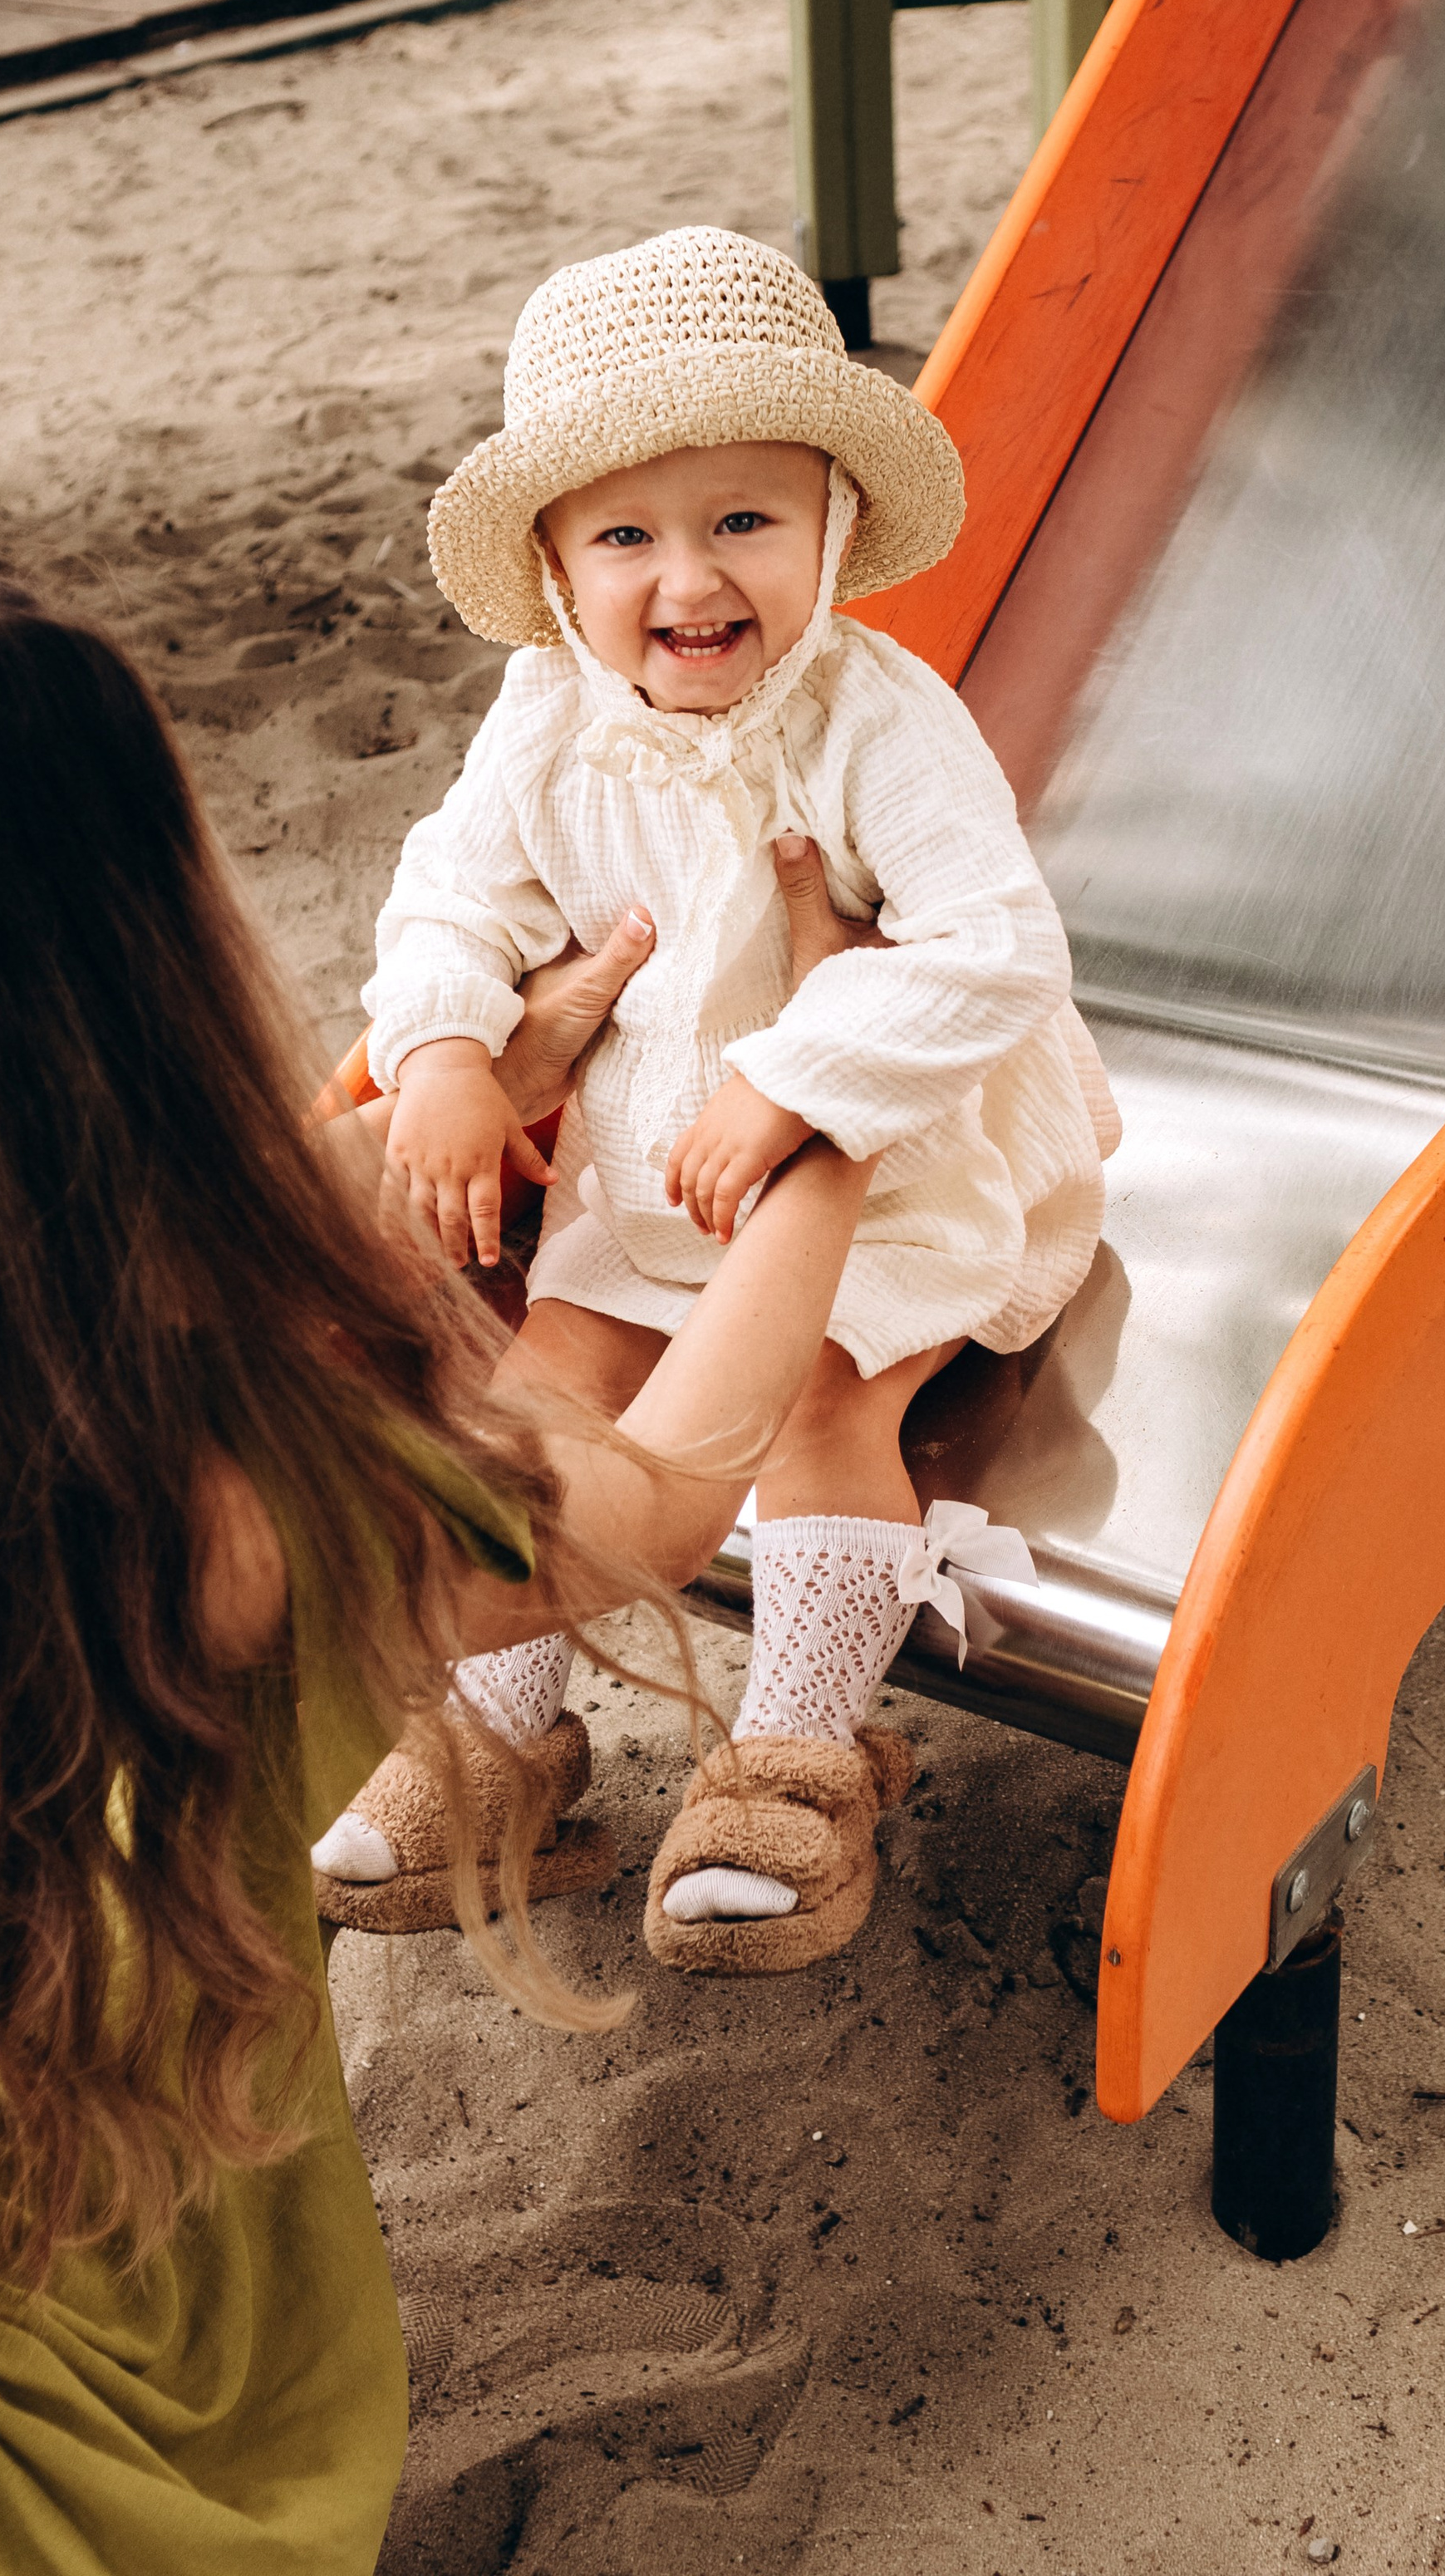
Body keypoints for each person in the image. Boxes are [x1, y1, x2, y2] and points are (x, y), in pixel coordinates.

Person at [0, 564, 882, 2575]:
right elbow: (660, 1493)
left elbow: (81, 1249)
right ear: (125, 989)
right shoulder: (207, 1502)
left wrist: (500, 1068)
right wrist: (831, 1112)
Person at [325, 227, 1121, 1977]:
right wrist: (444, 1051)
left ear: (832, 523)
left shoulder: (875, 717)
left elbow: (996, 944)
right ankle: (501, 1744)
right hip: (648, 1169)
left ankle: (794, 1759)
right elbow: (450, 899)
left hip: (886, 1166)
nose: (689, 579)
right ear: (554, 568)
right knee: (545, 1381)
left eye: (743, 519)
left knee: (823, 1398)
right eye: (626, 537)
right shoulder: (545, 714)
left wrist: (796, 1075)